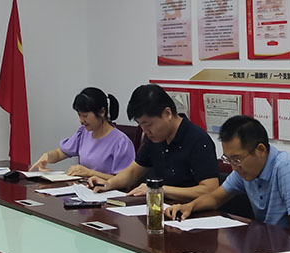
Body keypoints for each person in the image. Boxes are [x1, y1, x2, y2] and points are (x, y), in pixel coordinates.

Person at [165, 115, 290, 237]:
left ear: (260, 150)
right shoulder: (245, 171)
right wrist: (189, 206)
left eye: (237, 159)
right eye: (228, 159)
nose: (234, 167)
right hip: (270, 243)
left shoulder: (285, 167)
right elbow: (215, 198)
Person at [88, 84, 219, 201]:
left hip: (192, 213)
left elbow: (210, 189)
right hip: (161, 208)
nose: (146, 131)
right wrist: (108, 184)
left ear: (167, 113)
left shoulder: (198, 139)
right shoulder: (155, 139)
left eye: (148, 124)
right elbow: (133, 172)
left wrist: (159, 189)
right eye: (140, 125)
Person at [28, 87, 135, 180]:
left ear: (102, 112)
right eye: (79, 115)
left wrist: (90, 173)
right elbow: (60, 153)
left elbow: (125, 180)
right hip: (83, 190)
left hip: (107, 193)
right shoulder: (83, 133)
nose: (81, 121)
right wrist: (47, 157)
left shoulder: (121, 142)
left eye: (85, 116)